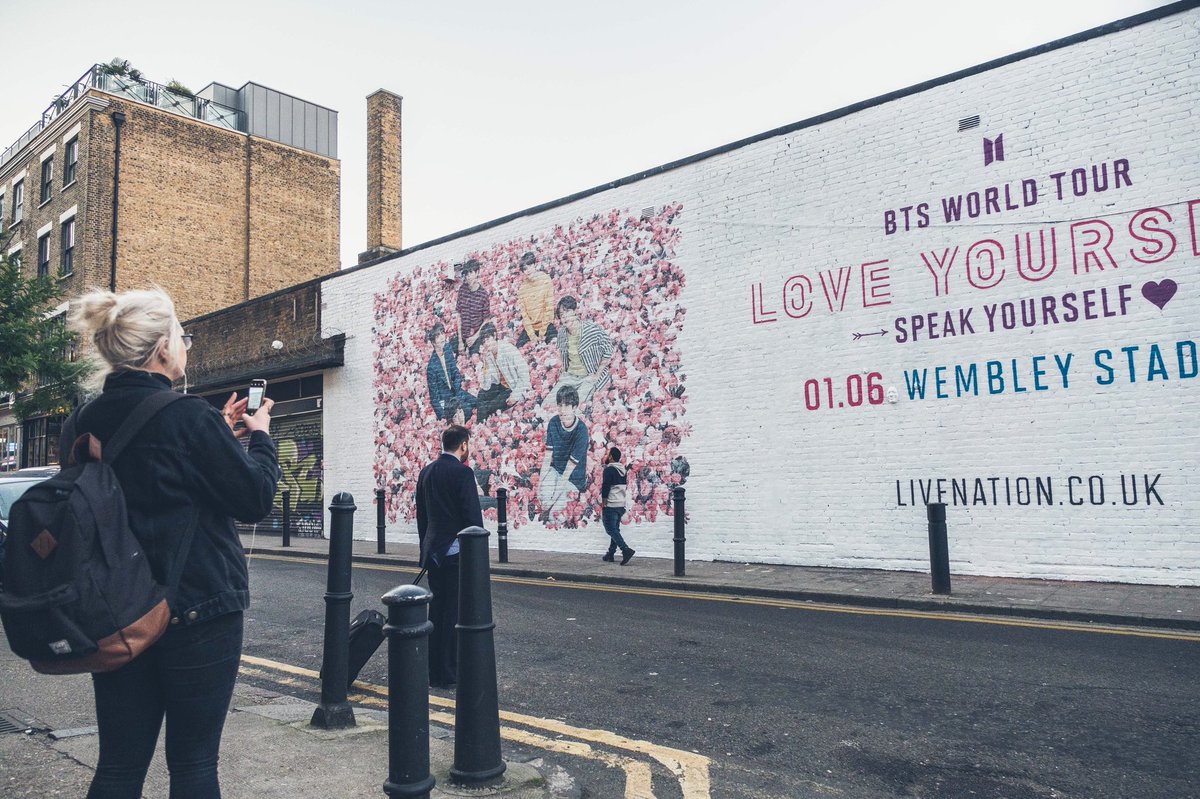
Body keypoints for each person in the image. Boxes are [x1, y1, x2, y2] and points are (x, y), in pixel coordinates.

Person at [64, 287, 279, 799]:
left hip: (118, 611)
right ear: (161, 348)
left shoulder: (82, 422)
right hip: (198, 607)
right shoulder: (188, 416)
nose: (187, 345)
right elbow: (252, 498)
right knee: (193, 764)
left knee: (118, 764)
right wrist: (262, 436)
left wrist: (216, 436)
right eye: (183, 336)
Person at [414, 424, 483, 689]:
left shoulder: (426, 472)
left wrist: (426, 547)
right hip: (455, 554)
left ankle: (434, 669)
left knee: (437, 610)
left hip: (434, 552)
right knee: (453, 613)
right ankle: (448, 672)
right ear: (463, 444)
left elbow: (423, 516)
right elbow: (472, 521)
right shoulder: (463, 474)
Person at [548, 296, 613, 410]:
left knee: (573, 407)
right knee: (548, 405)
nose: (564, 317)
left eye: (567, 312)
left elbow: (608, 348)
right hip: (570, 376)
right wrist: (564, 368)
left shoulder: (590, 329)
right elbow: (564, 354)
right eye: (561, 315)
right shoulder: (562, 333)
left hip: (588, 376)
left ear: (575, 311)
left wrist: (597, 374)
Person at [537, 385, 588, 518]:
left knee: (555, 516)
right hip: (555, 471)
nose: (562, 410)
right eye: (560, 405)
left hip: (572, 479)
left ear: (574, 407)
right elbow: (547, 459)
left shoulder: (581, 431)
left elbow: (567, 472)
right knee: (543, 498)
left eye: (566, 406)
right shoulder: (554, 422)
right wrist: (539, 486)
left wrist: (552, 501)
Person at [475, 323, 530, 422]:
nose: (486, 344)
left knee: (490, 407)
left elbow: (524, 374)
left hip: (512, 386)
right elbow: (487, 385)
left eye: (488, 339)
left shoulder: (508, 349)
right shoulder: (489, 355)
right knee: (481, 395)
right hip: (500, 386)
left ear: (495, 336)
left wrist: (515, 395)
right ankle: (479, 424)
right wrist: (485, 366)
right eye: (483, 342)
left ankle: (480, 424)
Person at [424, 322, 475, 422]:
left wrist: (457, 386)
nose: (442, 337)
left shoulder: (447, 349)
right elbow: (434, 397)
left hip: (456, 391)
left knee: (478, 403)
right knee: (467, 411)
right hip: (447, 400)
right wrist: (443, 417)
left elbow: (455, 372)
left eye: (442, 333)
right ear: (433, 342)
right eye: (438, 336)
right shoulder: (431, 367)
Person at [599, 446, 634, 565]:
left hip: (611, 503)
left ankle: (625, 550)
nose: (607, 456)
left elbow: (606, 485)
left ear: (611, 457)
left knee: (610, 529)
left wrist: (604, 500)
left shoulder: (609, 469)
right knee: (615, 529)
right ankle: (610, 554)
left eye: (609, 454)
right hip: (620, 504)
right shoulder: (623, 470)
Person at [514, 252, 556, 347]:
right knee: (518, 349)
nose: (527, 271)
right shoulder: (522, 289)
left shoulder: (545, 280)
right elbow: (524, 315)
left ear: (535, 265)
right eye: (524, 269)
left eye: (529, 266)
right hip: (531, 328)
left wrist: (542, 332)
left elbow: (549, 308)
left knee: (554, 344)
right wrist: (532, 335)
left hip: (546, 325)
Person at [455, 259, 493, 356]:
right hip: (463, 335)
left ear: (477, 273)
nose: (468, 277)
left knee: (475, 357)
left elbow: (486, 320)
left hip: (477, 335)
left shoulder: (483, 294)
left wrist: (475, 337)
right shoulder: (462, 290)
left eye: (470, 273)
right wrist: (460, 341)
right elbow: (459, 315)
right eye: (466, 274)